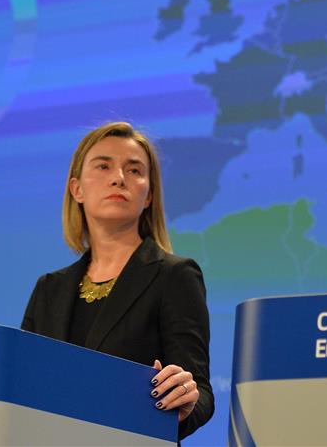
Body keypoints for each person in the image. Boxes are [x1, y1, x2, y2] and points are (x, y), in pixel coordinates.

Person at [22, 121, 214, 439]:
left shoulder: (175, 275)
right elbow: (24, 387)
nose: (119, 178)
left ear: (149, 195)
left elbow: (200, 392)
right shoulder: (48, 289)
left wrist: (184, 402)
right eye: (103, 166)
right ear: (77, 189)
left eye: (134, 170)